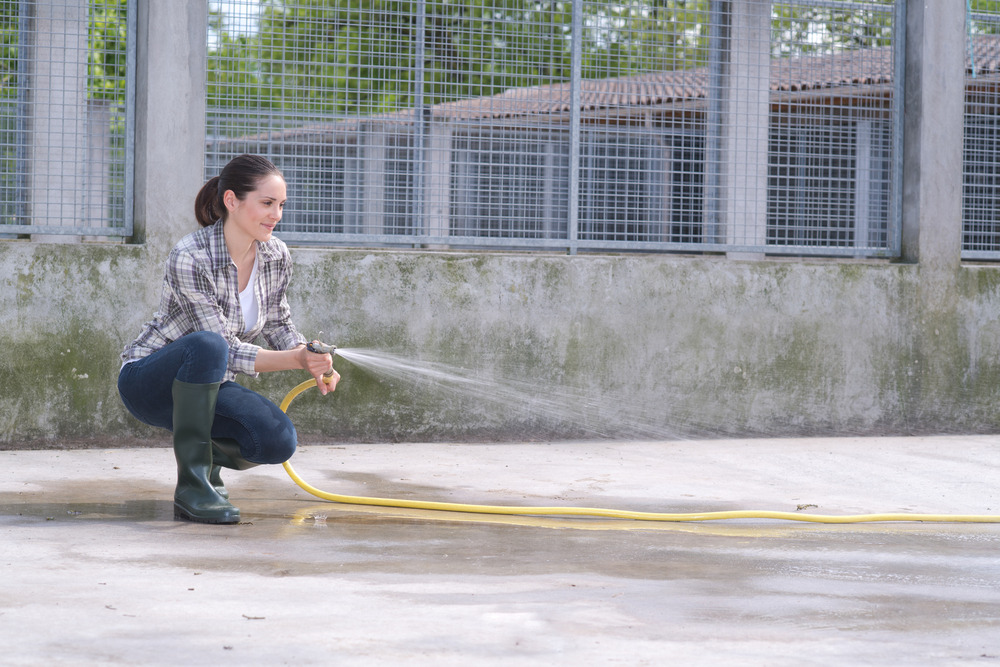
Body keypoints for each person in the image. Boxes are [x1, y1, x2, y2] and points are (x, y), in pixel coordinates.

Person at [118, 154, 339, 524]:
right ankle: (192, 486)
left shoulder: (275, 255)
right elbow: (226, 348)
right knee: (208, 345)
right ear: (232, 201)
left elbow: (279, 323)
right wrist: (295, 360)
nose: (276, 215)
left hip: (211, 385)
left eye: (281, 205)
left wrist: (310, 355)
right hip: (150, 383)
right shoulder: (190, 256)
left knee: (277, 440)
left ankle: (204, 468)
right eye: (267, 203)